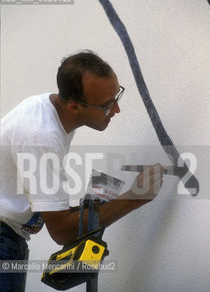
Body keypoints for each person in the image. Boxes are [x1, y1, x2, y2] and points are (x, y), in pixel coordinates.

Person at [0, 50, 163, 291]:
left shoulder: (51, 112)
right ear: (75, 106)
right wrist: (134, 198)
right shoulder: (41, 136)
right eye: (107, 105)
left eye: (117, 96)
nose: (116, 110)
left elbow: (55, 210)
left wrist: (97, 207)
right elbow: (62, 232)